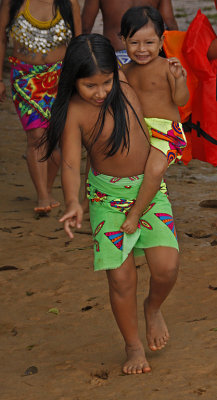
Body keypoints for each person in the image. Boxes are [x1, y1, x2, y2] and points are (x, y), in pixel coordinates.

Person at [42, 33, 182, 374]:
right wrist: (73, 201)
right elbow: (72, 165)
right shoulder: (75, 112)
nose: (101, 91)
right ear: (73, 80)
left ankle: (153, 307)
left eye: (106, 82)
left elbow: (144, 47)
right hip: (107, 199)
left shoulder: (120, 79)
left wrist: (173, 71)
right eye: (90, 85)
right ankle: (134, 346)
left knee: (166, 268)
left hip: (150, 192)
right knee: (120, 280)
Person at [0, 0, 81, 214]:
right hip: (25, 80)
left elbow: (79, 44)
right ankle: (42, 195)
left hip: (61, 79)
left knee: (57, 139)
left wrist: (80, 80)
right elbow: (1, 39)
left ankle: (46, 187)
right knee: (36, 136)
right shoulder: (13, 3)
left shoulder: (69, 3)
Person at [119, 6, 189, 232]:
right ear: (123, 41)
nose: (142, 49)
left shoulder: (168, 67)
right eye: (134, 42)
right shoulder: (125, 70)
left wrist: (179, 80)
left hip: (166, 132)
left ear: (161, 42)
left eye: (149, 43)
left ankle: (135, 214)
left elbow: (181, 100)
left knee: (155, 170)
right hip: (137, 130)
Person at [82, 0, 178, 66]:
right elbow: (169, 22)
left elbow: (85, 27)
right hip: (149, 54)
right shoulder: (164, 67)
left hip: (116, 56)